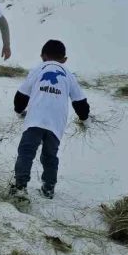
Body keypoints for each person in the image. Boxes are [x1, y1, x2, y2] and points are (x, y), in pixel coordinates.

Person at [10, 40, 89, 199]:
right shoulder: (68, 74)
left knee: (26, 152)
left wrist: (19, 111)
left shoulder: (38, 69)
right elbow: (79, 101)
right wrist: (84, 119)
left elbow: (22, 94)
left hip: (35, 119)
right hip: (56, 122)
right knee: (50, 155)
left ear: (42, 56)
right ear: (64, 59)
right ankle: (49, 187)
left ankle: (20, 186)